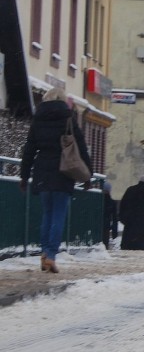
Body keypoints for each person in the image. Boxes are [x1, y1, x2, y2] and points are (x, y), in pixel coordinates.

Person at [19, 87, 93, 274]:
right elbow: (81, 146)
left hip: (42, 172)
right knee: (58, 216)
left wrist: (24, 175)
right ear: (62, 99)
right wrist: (88, 173)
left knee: (47, 214)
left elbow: (29, 149)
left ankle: (45, 252)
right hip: (63, 172)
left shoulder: (38, 119)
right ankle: (51, 255)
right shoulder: (68, 118)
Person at [102, 182, 118, 249]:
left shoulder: (98, 199)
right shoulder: (111, 202)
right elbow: (115, 218)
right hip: (106, 226)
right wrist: (114, 231)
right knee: (105, 245)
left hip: (97, 225)